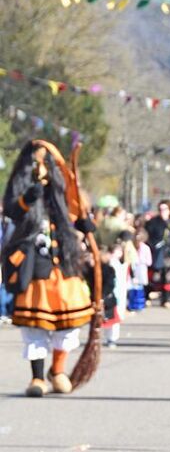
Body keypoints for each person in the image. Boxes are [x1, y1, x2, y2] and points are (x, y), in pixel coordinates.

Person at [1, 140, 94, 396]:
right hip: (35, 269)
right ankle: (37, 378)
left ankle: (58, 371)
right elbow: (12, 211)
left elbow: (77, 217)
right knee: (36, 326)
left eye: (45, 163)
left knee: (67, 324)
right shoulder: (23, 194)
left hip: (65, 267)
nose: (40, 168)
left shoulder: (62, 198)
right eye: (35, 162)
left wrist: (85, 223)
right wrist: (31, 194)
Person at [146, 200, 170, 307]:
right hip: (157, 253)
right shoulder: (153, 222)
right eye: (160, 209)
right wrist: (153, 245)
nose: (162, 211)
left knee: (169, 276)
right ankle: (149, 296)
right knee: (155, 276)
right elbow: (148, 237)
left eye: (165, 209)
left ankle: (167, 300)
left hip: (169, 253)